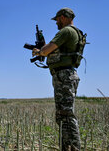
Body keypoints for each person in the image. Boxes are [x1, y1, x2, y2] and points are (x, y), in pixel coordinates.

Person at [32, 8, 82, 150]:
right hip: (66, 75)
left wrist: (39, 51)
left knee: (66, 116)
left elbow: (47, 50)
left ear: (63, 17)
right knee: (62, 116)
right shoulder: (74, 32)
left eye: (57, 20)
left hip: (64, 76)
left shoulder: (66, 31)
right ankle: (66, 147)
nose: (56, 23)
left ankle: (73, 147)